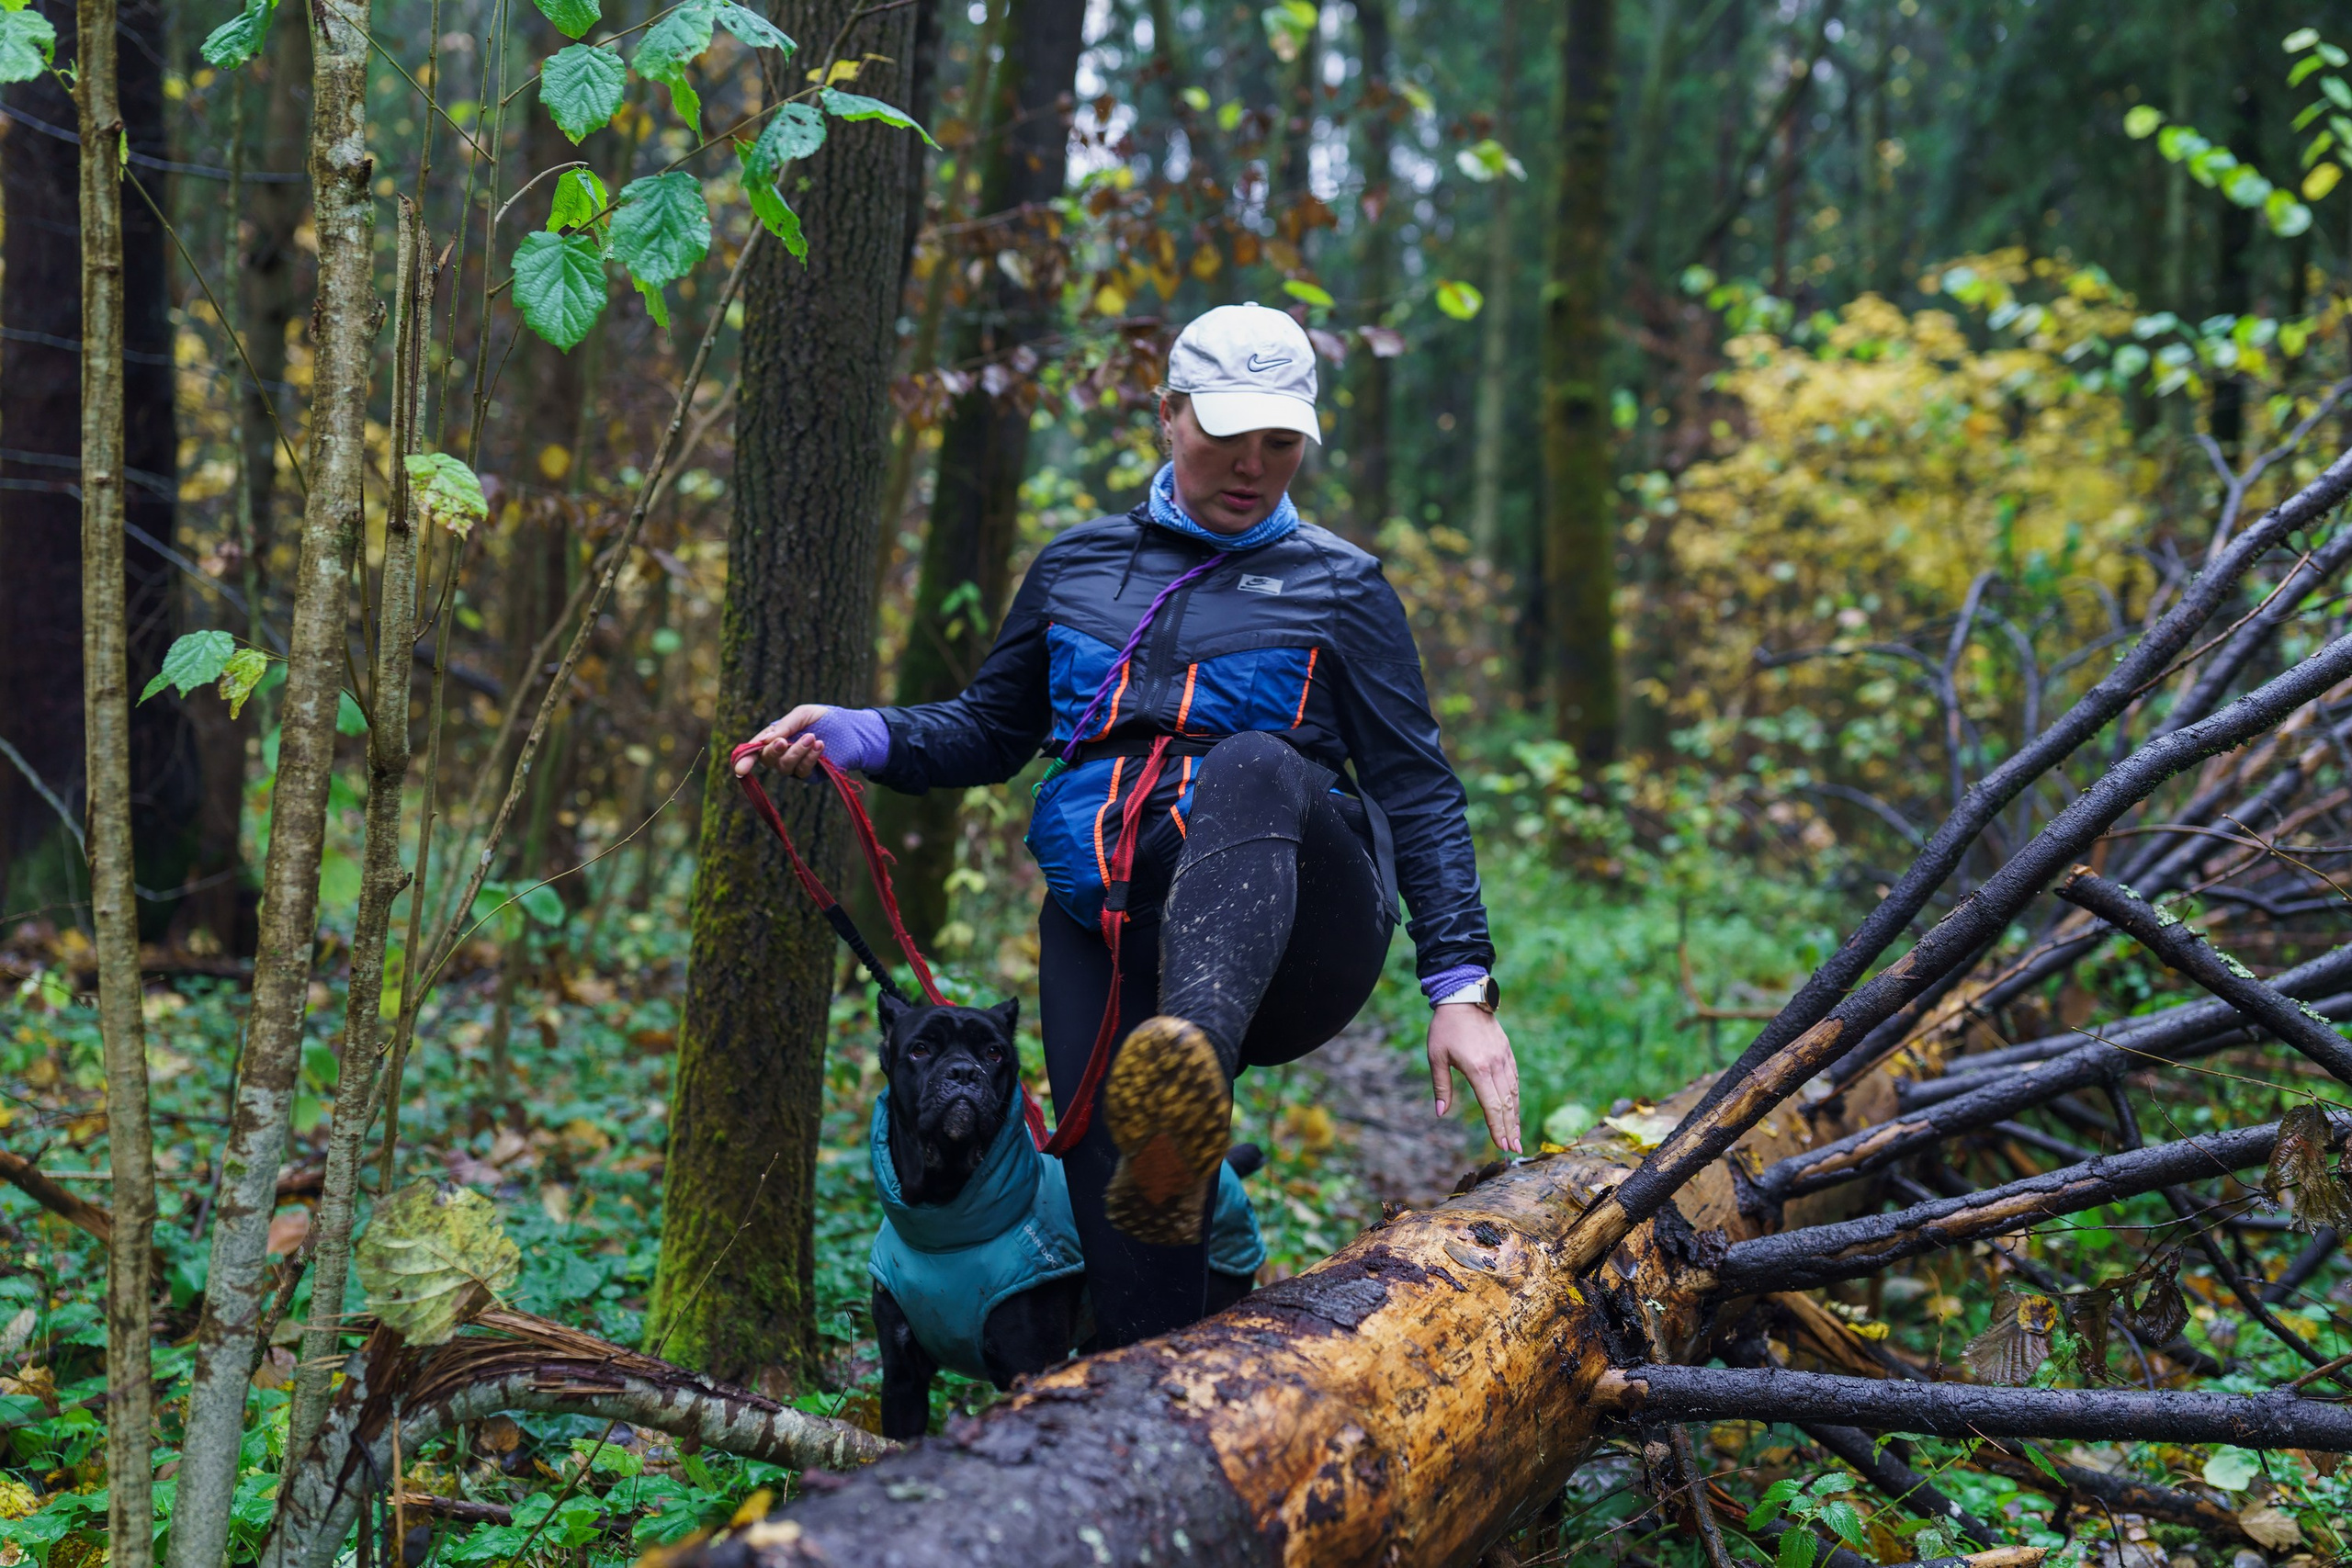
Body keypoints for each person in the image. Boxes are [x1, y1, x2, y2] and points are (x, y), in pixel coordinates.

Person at [740, 302, 1518, 1346]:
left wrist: (1460, 986)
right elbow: (987, 730)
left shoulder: (1343, 588)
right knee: (1130, 1254)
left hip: (1295, 931)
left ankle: (1186, 1055)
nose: (1251, 466)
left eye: (1279, 443)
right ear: (1167, 416)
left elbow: (1416, 788)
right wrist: (861, 733)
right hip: (1108, 932)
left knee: (1251, 760)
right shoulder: (1076, 567)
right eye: (1225, 436)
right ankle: (1146, 1429)